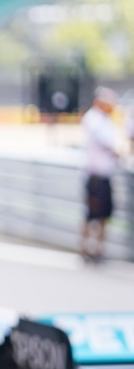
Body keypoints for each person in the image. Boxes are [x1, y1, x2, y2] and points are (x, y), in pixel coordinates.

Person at [81, 87, 120, 263]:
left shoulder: (105, 120)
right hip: (95, 175)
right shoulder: (94, 119)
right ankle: (86, 248)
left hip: (103, 174)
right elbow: (107, 144)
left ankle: (97, 249)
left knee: (104, 215)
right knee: (92, 214)